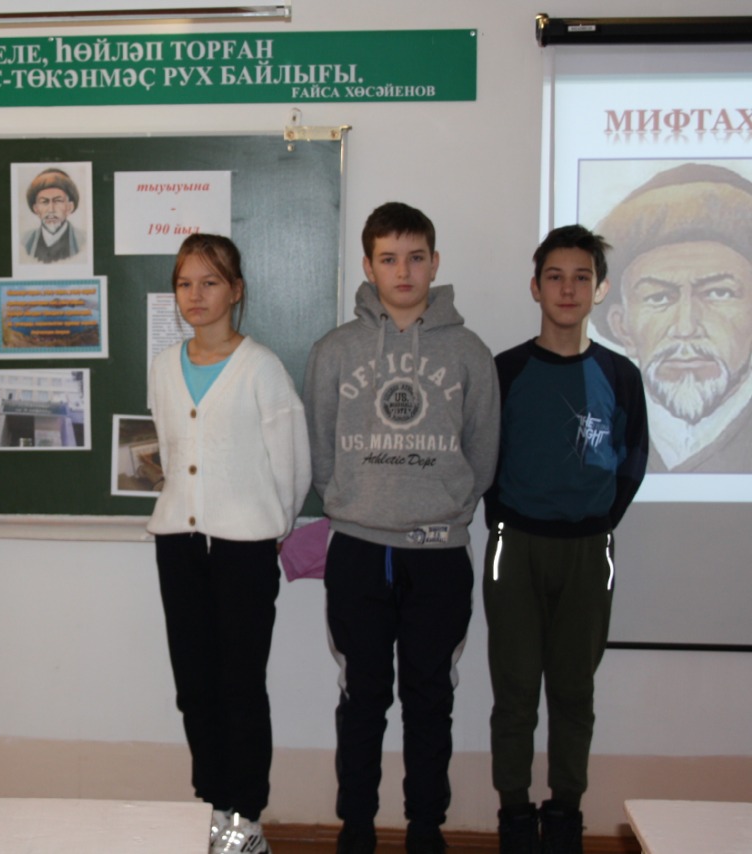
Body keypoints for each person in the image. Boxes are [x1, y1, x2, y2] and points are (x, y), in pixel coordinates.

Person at [302, 202, 500, 854]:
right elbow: (320, 450)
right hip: (359, 551)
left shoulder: (469, 352)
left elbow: (483, 455)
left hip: (438, 554)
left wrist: (442, 504)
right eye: (389, 258)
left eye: (416, 257)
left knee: (430, 698)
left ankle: (425, 829)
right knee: (363, 698)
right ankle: (356, 828)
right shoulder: (335, 350)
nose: (404, 271)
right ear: (369, 266)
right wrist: (354, 502)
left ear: (435, 263)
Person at [485, 226, 648, 854]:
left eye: (582, 277)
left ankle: (564, 816)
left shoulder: (619, 374)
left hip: (588, 550)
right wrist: (510, 517)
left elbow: (633, 460)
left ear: (599, 289)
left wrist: (596, 520)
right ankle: (514, 815)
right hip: (515, 546)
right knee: (515, 692)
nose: (568, 289)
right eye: (555, 276)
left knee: (575, 691)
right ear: (535, 286)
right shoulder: (507, 371)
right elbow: (485, 457)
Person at [147, 233, 311, 854]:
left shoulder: (261, 368)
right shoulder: (164, 366)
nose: (196, 295)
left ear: (236, 291)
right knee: (194, 685)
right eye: (185, 283)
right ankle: (215, 807)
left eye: (210, 282)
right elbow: (171, 452)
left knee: (240, 685)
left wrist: (266, 524)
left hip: (245, 548)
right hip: (178, 544)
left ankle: (246, 819)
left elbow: (291, 466)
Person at [591, 162, 752, 472]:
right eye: (658, 298)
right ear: (622, 327)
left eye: (718, 293)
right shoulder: (590, 426)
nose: (686, 327)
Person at [21, 168, 85, 264]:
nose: (51, 210)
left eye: (58, 201)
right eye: (44, 202)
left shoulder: (84, 241)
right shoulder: (24, 241)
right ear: (36, 209)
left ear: (70, 207)